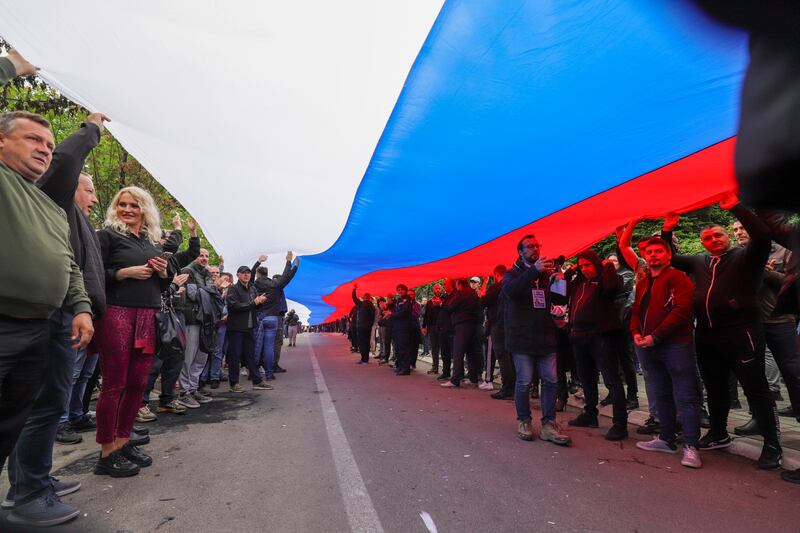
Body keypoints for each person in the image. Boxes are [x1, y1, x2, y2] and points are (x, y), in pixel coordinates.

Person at [3, 106, 106, 526]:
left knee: (38, 408)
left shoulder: (45, 204)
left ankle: (30, 488)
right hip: (7, 321)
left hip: (44, 322)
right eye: (34, 140)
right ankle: (29, 488)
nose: (46, 150)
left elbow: (66, 263)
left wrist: (80, 307)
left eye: (49, 144)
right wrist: (12, 64)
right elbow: (67, 160)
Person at [662, 193, 782, 469]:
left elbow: (762, 236)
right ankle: (718, 432)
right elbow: (669, 257)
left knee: (756, 389)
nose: (713, 240)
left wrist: (735, 207)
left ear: (727, 236)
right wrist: (668, 228)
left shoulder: (746, 256)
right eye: (707, 238)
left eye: (717, 235)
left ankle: (772, 445)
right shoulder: (699, 261)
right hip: (707, 334)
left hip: (742, 333)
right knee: (715, 389)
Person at [93, 186, 172, 477]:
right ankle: (106, 453)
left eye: (134, 205)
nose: (127, 210)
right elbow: (91, 274)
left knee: (138, 383)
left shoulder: (151, 241)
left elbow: (162, 284)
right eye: (122, 204)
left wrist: (163, 273)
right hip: (117, 313)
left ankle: (123, 442)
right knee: (114, 384)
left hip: (148, 315)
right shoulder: (107, 237)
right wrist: (123, 273)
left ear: (144, 210)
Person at [631, 237, 702, 468]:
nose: (653, 255)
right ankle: (666, 438)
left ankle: (691, 446)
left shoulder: (678, 278)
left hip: (675, 345)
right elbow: (636, 311)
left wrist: (656, 336)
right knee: (661, 393)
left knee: (685, 396)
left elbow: (681, 311)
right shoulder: (643, 282)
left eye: (658, 251)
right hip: (648, 345)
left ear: (668, 255)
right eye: (649, 252)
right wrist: (635, 332)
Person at [730, 220, 800, 434]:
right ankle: (759, 419)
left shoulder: (784, 251)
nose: (739, 232)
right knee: (753, 375)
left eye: (743, 227)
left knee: (793, 373)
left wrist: (764, 271)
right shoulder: (736, 255)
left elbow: (792, 284)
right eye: (735, 230)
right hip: (749, 322)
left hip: (779, 321)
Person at [502, 235, 570, 446]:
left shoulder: (545, 275)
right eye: (529, 246)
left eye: (537, 246)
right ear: (520, 252)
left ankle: (549, 425)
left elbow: (560, 301)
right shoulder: (512, 274)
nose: (534, 249)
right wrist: (533, 271)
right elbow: (510, 292)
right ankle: (524, 420)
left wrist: (560, 282)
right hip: (521, 339)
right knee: (524, 382)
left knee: (551, 381)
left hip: (545, 337)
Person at [564, 250, 629, 441]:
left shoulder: (607, 279)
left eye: (588, 265)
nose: (584, 269)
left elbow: (611, 288)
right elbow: (563, 288)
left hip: (601, 336)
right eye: (582, 266)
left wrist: (607, 266)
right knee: (586, 377)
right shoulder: (580, 282)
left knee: (612, 380)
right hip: (579, 335)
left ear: (596, 264)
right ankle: (590, 414)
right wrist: (571, 270)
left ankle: (620, 423)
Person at [252, 252, 299, 380]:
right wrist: (291, 264)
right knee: (269, 347)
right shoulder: (276, 284)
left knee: (257, 347)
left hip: (259, 316)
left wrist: (258, 262)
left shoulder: (255, 284)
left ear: (258, 274)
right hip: (273, 318)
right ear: (267, 275)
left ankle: (254, 373)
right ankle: (269, 373)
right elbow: (286, 277)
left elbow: (250, 276)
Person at [227, 263, 269, 391]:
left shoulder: (252, 288)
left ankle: (257, 381)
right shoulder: (233, 288)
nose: (246, 274)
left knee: (251, 355)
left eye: (248, 273)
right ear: (238, 275)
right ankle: (234, 384)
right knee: (235, 356)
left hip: (250, 327)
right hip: (236, 328)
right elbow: (234, 306)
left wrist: (260, 302)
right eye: (243, 272)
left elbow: (255, 306)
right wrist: (253, 303)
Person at [482, 266, 515, 400]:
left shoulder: (495, 287)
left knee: (502, 357)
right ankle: (513, 387)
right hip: (511, 324)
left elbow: (483, 302)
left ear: (496, 274)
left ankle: (507, 388)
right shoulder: (512, 285)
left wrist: (483, 295)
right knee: (511, 357)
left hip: (498, 324)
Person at [441, 279, 480, 388]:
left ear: (459, 285)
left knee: (458, 352)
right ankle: (473, 378)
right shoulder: (472, 292)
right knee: (471, 352)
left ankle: (455, 379)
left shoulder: (461, 293)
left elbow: (451, 306)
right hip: (472, 324)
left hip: (462, 324)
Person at [390, 284, 415, 375]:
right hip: (397, 327)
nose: (400, 291)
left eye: (401, 290)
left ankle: (405, 369)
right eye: (398, 290)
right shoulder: (398, 300)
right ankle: (400, 366)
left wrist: (392, 314)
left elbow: (403, 312)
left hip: (404, 327)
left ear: (405, 290)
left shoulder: (407, 300)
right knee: (398, 348)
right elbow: (395, 311)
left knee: (404, 348)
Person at [422, 284, 443, 375]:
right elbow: (426, 316)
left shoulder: (444, 300)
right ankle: (435, 367)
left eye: (439, 288)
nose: (437, 290)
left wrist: (439, 304)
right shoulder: (429, 302)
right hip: (432, 327)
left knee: (444, 349)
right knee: (434, 348)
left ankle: (446, 370)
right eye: (436, 289)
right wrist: (424, 326)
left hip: (442, 328)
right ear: (433, 290)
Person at [352, 285, 376, 364]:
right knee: (366, 342)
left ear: (364, 298)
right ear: (369, 298)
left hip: (361, 326)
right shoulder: (373, 307)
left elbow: (354, 298)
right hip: (368, 327)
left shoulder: (361, 304)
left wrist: (354, 289)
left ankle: (363, 359)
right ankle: (366, 359)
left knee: (362, 343)